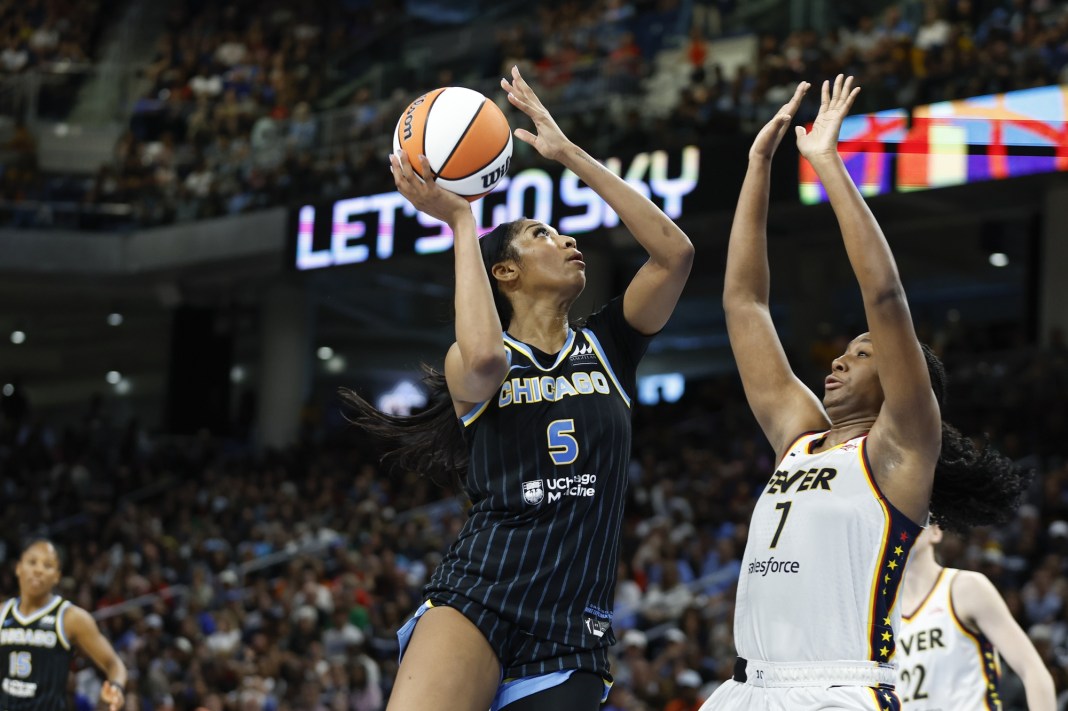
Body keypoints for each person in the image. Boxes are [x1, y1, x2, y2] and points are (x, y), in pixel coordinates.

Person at [343, 65, 693, 711]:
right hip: (480, 591)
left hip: (571, 626)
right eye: (543, 235)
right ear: (504, 270)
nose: (567, 240)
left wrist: (568, 154)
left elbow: (675, 254)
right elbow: (481, 359)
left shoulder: (610, 345)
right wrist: (459, 224)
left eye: (562, 232)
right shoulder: (478, 357)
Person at [701, 75, 1029, 709]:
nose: (840, 361)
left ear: (905, 385)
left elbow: (885, 297)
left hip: (834, 688)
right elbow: (744, 304)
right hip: (745, 689)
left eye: (862, 353)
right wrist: (757, 167)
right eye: (844, 350)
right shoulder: (799, 436)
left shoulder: (900, 450)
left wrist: (827, 165)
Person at [898, 524, 1055, 710]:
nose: (903, 528)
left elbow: (1032, 669)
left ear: (936, 531)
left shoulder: (966, 587)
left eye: (913, 520)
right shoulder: (880, 614)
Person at [1, 540, 127, 711]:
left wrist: (116, 687)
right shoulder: (2, 612)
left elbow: (114, 663)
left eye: (47, 565)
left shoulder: (70, 617)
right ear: (18, 568)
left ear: (57, 576)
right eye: (32, 562)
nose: (38, 570)